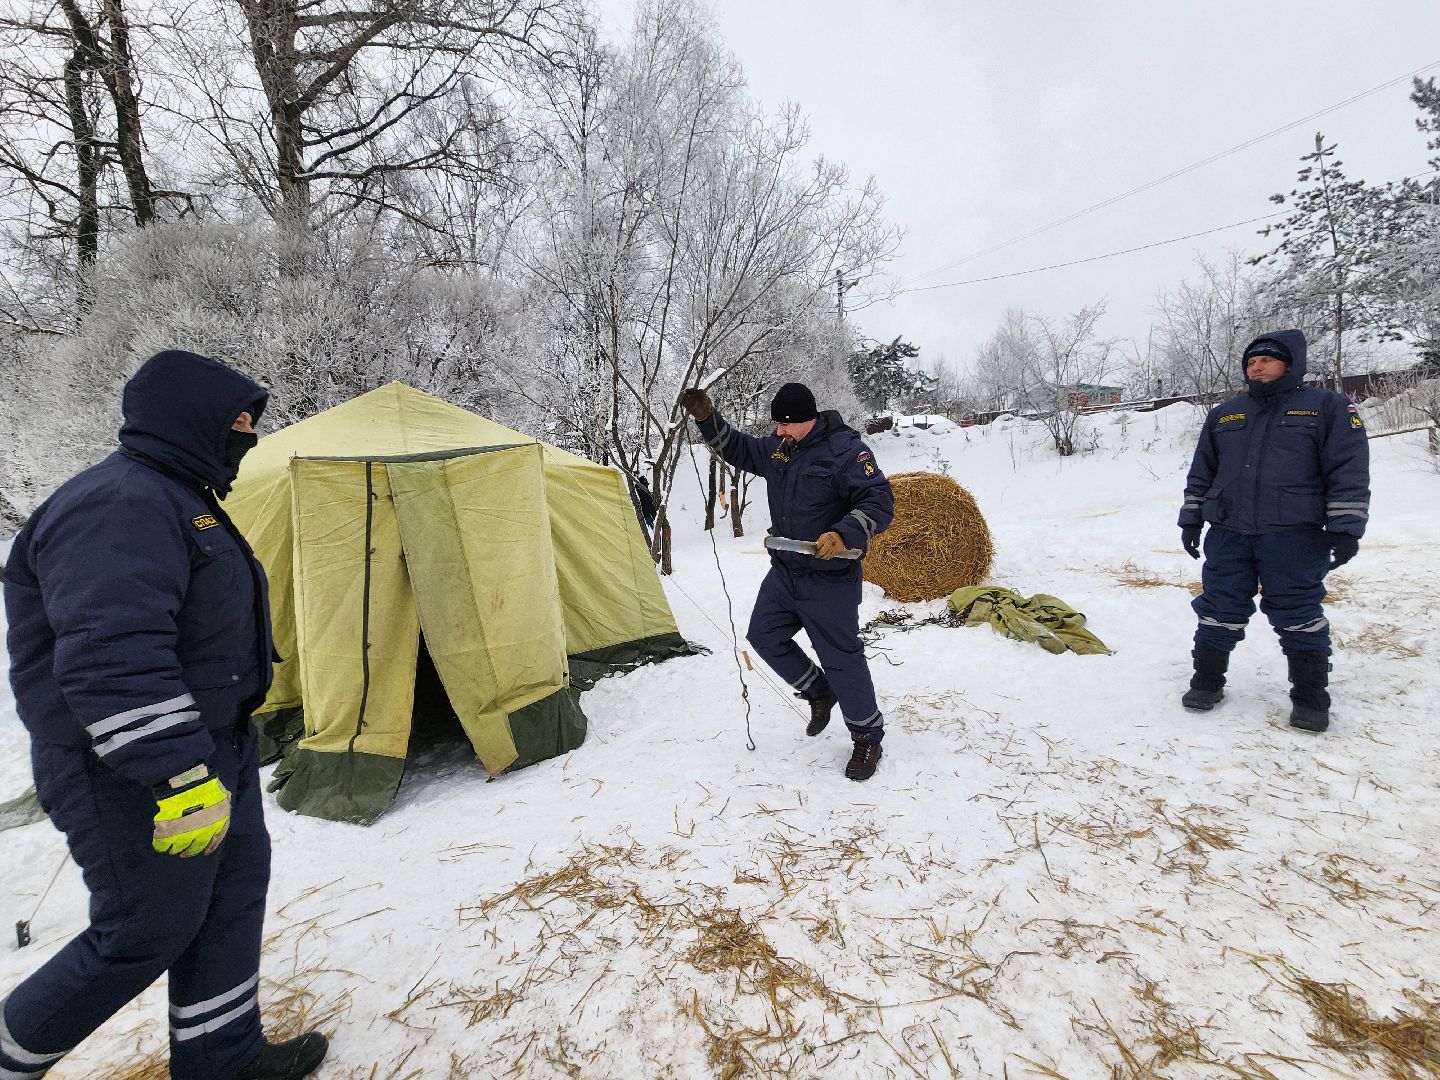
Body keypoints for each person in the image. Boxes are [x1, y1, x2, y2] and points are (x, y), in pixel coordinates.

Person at [1, 350, 328, 1080]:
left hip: (216, 747)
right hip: (125, 768)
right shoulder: (118, 504)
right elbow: (110, 655)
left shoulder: (184, 497)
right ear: (189, 416)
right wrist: (178, 773)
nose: (247, 433)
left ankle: (223, 1058)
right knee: (144, 931)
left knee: (228, 903)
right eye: (237, 418)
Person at [679, 381, 894, 780]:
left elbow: (879, 501)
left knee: (841, 657)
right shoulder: (781, 449)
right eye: (776, 425)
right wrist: (708, 419)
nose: (778, 432)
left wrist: (844, 533)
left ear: (806, 419)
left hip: (829, 578)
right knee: (763, 635)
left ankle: (867, 736)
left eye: (784, 424)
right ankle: (818, 690)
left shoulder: (847, 451)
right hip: (785, 573)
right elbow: (739, 448)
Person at [1177, 329, 1370, 732]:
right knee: (1218, 608)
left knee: (1298, 611)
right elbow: (1202, 473)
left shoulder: (1326, 407)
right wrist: (1191, 518)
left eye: (1266, 360)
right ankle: (1207, 681)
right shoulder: (1227, 413)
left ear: (1291, 364)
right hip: (1228, 530)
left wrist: (1346, 526)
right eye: (1251, 361)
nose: (1256, 366)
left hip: (1294, 533)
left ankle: (1310, 697)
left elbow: (1347, 470)